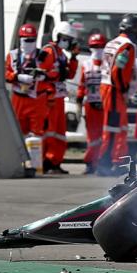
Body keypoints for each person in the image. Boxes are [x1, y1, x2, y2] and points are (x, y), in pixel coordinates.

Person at [97, 14, 137, 177]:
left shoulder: (112, 42)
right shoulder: (127, 46)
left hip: (107, 87)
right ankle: (107, 162)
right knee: (113, 128)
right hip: (114, 89)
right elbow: (118, 71)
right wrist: (123, 90)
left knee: (116, 126)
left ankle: (114, 160)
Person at [42, 22, 79, 175]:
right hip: (49, 98)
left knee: (58, 132)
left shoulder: (62, 54)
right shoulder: (49, 51)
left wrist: (74, 58)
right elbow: (42, 73)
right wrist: (56, 75)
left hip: (58, 98)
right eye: (65, 38)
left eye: (69, 39)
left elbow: (69, 74)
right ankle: (46, 161)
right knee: (49, 131)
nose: (67, 42)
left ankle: (55, 161)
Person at [5, 23, 54, 138]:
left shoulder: (44, 55)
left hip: (37, 99)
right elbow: (5, 74)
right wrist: (17, 77)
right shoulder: (12, 55)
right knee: (17, 132)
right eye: (27, 40)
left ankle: (35, 156)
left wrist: (44, 76)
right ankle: (19, 156)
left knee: (37, 134)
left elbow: (54, 73)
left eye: (32, 40)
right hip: (19, 98)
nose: (30, 43)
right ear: (20, 39)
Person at [76, 33, 107, 174]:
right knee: (92, 137)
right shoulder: (86, 64)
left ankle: (103, 162)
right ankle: (90, 163)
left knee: (105, 135)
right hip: (91, 105)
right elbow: (82, 84)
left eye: (100, 46)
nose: (98, 49)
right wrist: (78, 101)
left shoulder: (109, 63)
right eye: (95, 47)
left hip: (105, 104)